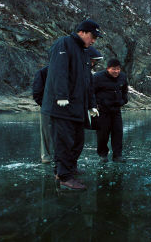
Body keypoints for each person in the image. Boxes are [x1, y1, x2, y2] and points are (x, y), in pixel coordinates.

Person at [41, 19, 102, 190]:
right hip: (62, 106)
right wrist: (61, 95)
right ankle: (64, 177)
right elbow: (58, 71)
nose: (94, 40)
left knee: (77, 141)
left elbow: (87, 81)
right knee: (64, 142)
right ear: (82, 32)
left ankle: (66, 169)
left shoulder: (84, 52)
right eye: (92, 36)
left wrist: (92, 105)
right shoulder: (64, 44)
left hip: (77, 107)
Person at [32, 47, 102, 165]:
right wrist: (47, 105)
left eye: (94, 62)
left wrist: (91, 105)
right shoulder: (44, 72)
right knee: (47, 133)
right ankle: (47, 158)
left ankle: (64, 159)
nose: (92, 64)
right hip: (49, 109)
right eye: (91, 61)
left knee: (66, 135)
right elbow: (37, 92)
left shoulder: (82, 73)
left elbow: (88, 91)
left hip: (68, 110)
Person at [93, 59, 129, 163]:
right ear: (108, 68)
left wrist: (124, 100)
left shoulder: (122, 76)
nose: (116, 71)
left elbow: (125, 89)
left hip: (116, 110)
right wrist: (94, 105)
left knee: (118, 133)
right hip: (102, 111)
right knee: (102, 134)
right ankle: (103, 155)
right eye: (114, 69)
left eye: (118, 69)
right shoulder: (97, 77)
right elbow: (90, 92)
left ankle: (117, 155)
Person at [33, 66, 53, 164]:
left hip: (63, 106)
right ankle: (46, 156)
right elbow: (37, 92)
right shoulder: (42, 72)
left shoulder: (67, 69)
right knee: (46, 132)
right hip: (47, 106)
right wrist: (44, 104)